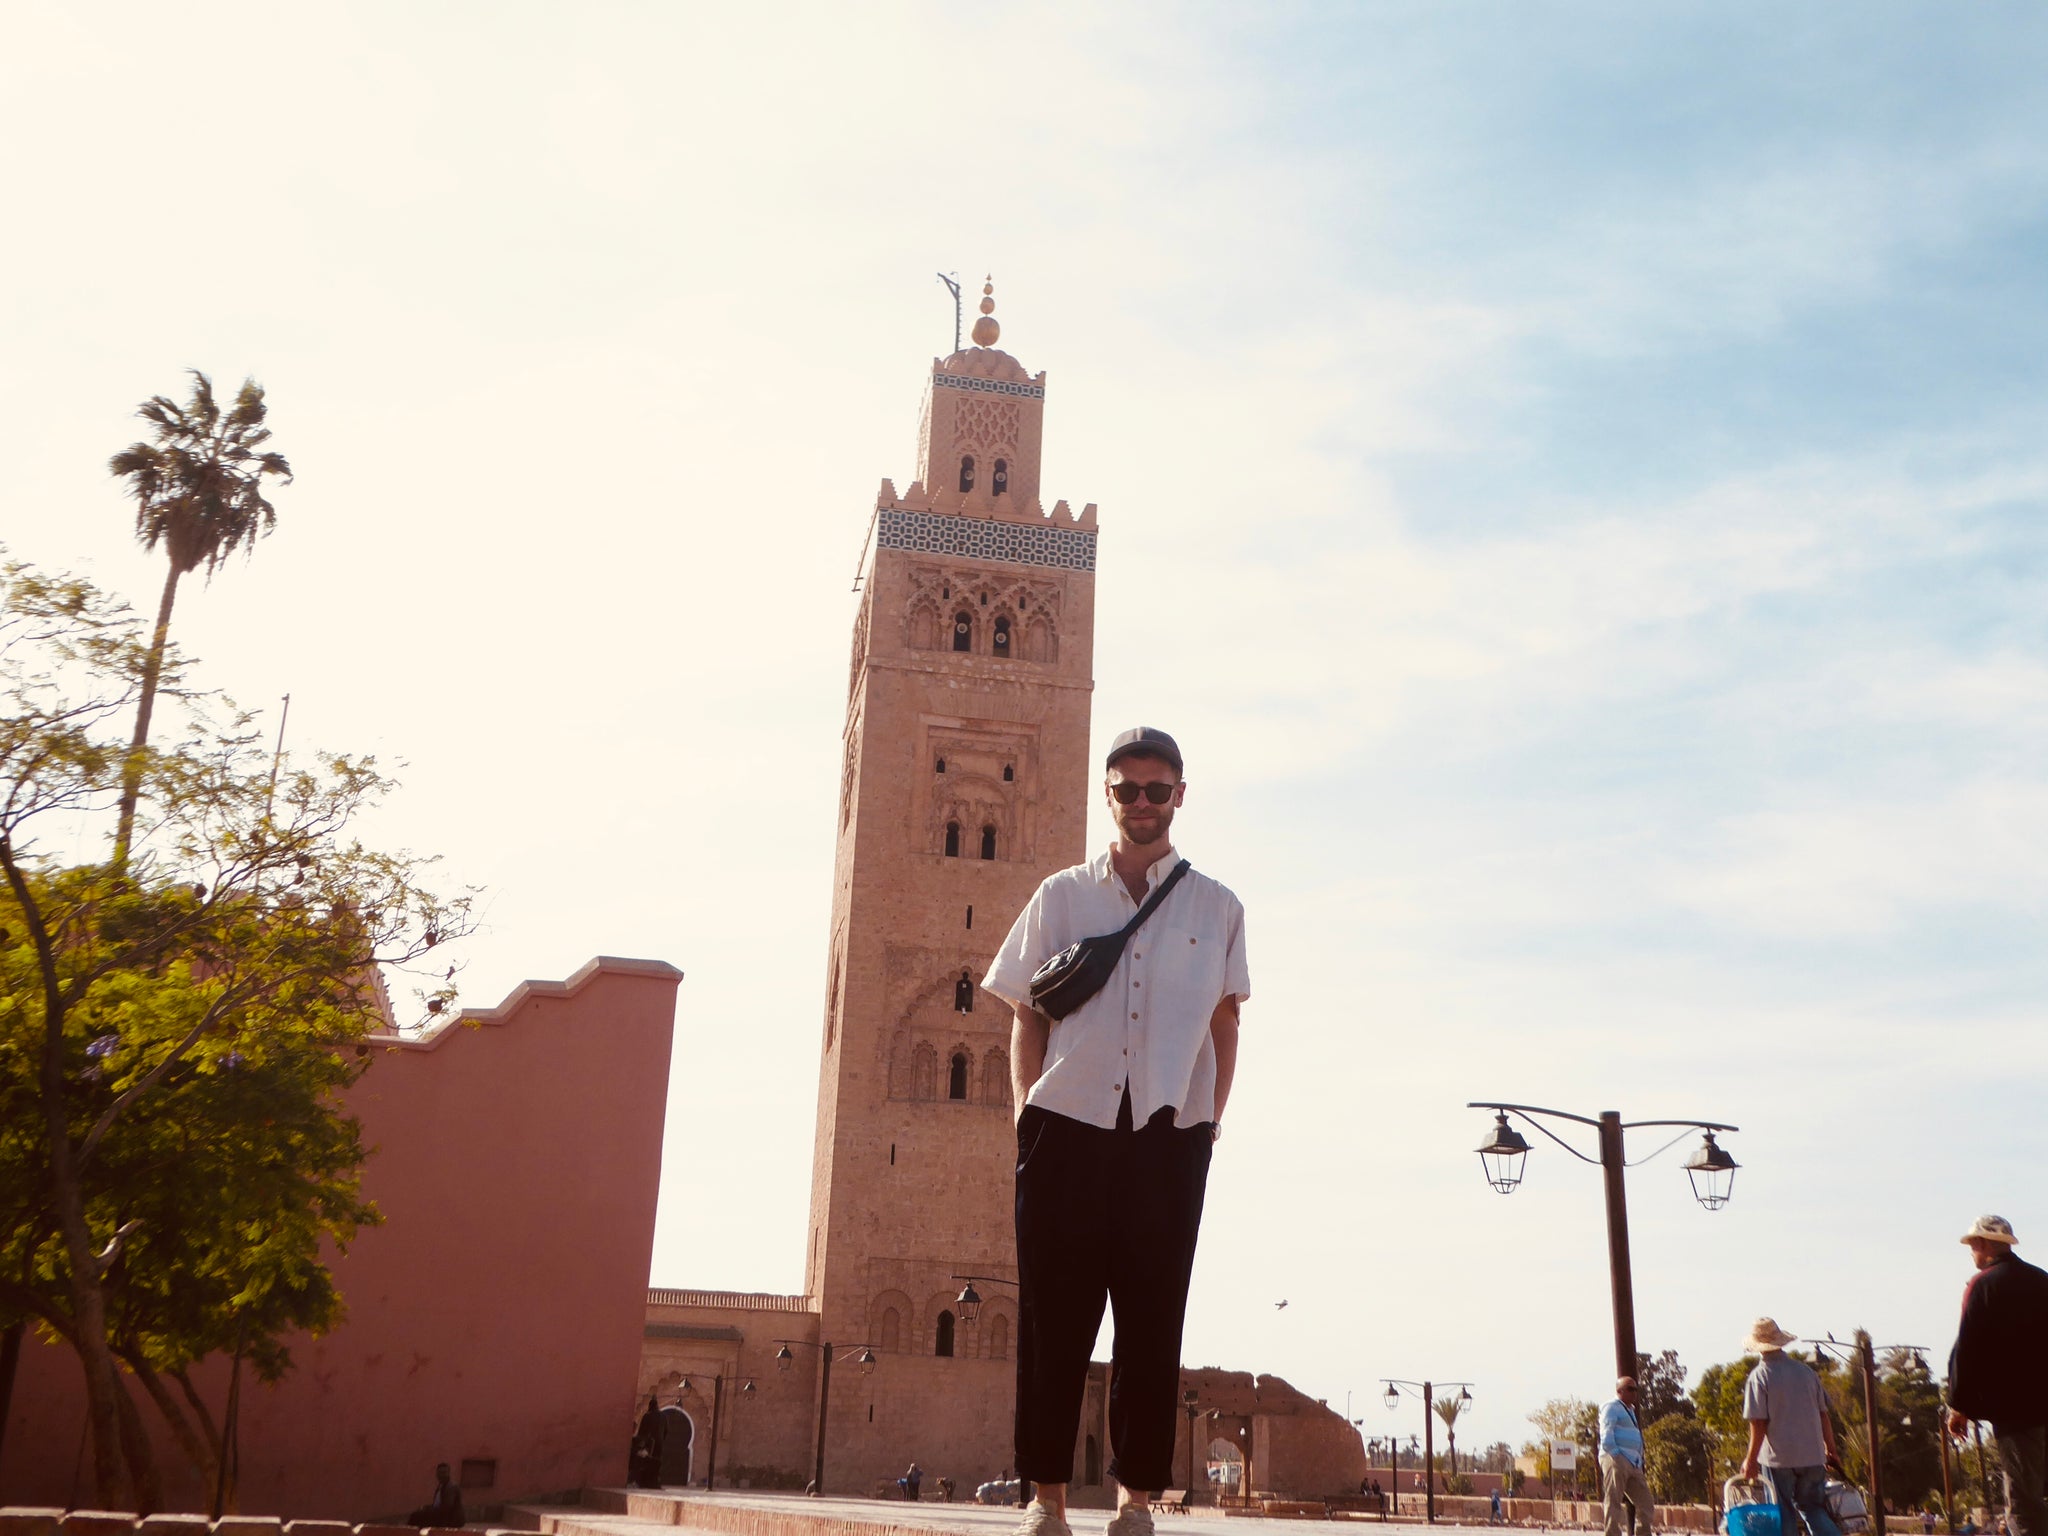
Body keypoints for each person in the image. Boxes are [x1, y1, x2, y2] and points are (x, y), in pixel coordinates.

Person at [984, 726, 1250, 1536]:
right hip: (1066, 1126)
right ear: (1108, 795)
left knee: (1153, 1314)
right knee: (1052, 1318)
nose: (1142, 802)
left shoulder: (1219, 906)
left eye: (1156, 789)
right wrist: (1025, 1108)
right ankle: (1049, 1500)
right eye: (1127, 789)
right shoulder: (1061, 896)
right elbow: (1025, 1014)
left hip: (1170, 1135)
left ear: (1179, 795)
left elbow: (1225, 1023)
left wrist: (1208, 1126)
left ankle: (1138, 1500)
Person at [1946, 1216, 2048, 1536]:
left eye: (1974, 1245)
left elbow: (1968, 1347)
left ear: (1985, 1245)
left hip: (2016, 1411)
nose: (1972, 1251)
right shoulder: (2042, 1280)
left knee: (2022, 1501)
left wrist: (1958, 1404)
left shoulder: (1981, 1285)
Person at [1739, 1318, 1842, 1536]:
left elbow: (1759, 1423)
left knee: (1783, 1511)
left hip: (1779, 1460)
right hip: (1813, 1456)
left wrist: (1751, 1459)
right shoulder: (1807, 1373)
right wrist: (1831, 1449)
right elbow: (1823, 1415)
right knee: (1813, 1508)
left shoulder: (1759, 1377)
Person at [1601, 1376, 1653, 1536]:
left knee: (1646, 1503)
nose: (1634, 1393)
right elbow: (1606, 1433)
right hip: (1617, 1459)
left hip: (1633, 1463)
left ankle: (1643, 1533)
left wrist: (1639, 1458)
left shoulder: (1630, 1411)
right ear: (1619, 1391)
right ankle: (1612, 1533)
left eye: (1635, 1389)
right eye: (1630, 1389)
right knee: (1613, 1500)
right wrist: (1616, 1455)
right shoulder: (1611, 1407)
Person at [407, 1462, 465, 1527]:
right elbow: (436, 1505)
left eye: (444, 1473)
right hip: (442, 1515)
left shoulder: (451, 1487)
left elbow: (447, 1507)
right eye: (439, 1473)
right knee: (418, 1515)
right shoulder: (441, 1486)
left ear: (448, 1474)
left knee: (417, 1516)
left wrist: (429, 1511)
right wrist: (426, 1508)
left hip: (452, 1518)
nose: (441, 1475)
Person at [629, 1394, 664, 1489]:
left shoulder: (647, 1416)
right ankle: (654, 1482)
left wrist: (641, 1446)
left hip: (648, 1445)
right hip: (658, 1445)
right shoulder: (663, 1416)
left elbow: (642, 1432)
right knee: (656, 1464)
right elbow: (666, 1431)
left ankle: (642, 1482)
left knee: (643, 1463)